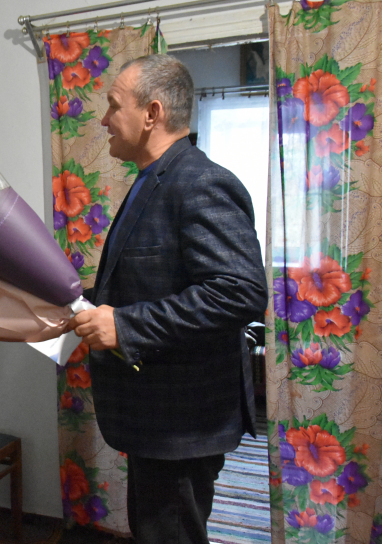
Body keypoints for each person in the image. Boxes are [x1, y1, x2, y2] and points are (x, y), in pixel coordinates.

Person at [67, 54, 268, 544]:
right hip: (155, 416)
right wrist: (74, 301)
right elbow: (146, 283)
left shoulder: (199, 181)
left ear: (151, 113)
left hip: (182, 424)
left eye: (113, 106)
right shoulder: (151, 180)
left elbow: (240, 292)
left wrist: (125, 326)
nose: (103, 119)